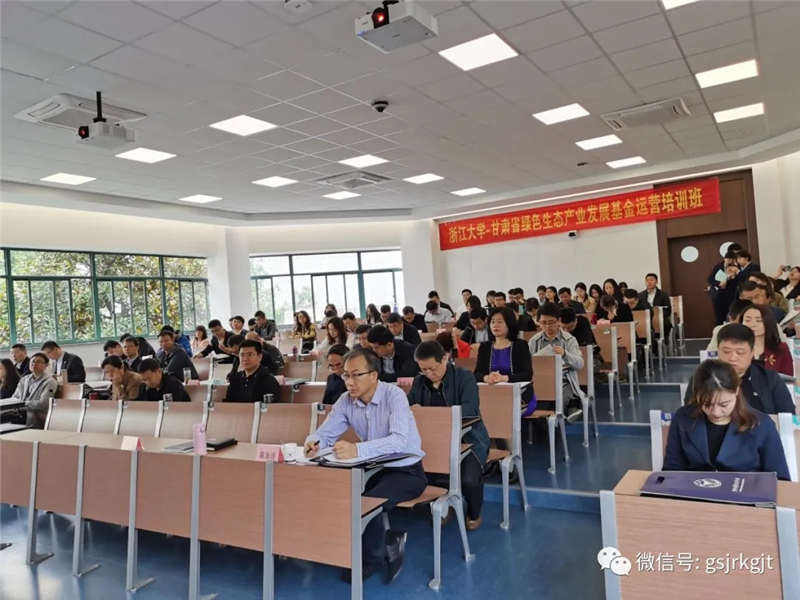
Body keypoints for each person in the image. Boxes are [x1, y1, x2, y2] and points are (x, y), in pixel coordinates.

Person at [303, 348, 426, 583]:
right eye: (346, 375)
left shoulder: (394, 396)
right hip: (372, 469)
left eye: (356, 375)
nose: (349, 382)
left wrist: (357, 449)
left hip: (407, 471)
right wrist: (313, 442)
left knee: (366, 502)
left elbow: (399, 441)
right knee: (335, 494)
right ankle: (382, 541)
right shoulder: (345, 400)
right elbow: (326, 433)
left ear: (373, 375)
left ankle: (371, 558)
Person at [407, 341, 489, 530]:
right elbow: (407, 405)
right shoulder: (419, 381)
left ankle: (474, 511)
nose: (429, 374)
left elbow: (470, 410)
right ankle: (445, 506)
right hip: (433, 442)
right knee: (426, 473)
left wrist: (430, 415)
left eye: (433, 369)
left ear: (444, 359)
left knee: (469, 479)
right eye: (424, 370)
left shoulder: (464, 377)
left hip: (468, 438)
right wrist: (412, 408)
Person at [665, 360, 789, 480]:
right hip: (695, 491)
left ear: (736, 391)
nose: (716, 412)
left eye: (724, 404)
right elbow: (671, 471)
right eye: (707, 404)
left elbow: (779, 478)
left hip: (746, 491)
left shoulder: (761, 425)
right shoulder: (683, 418)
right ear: (696, 395)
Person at [685, 324, 794, 414]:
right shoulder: (702, 377)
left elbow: (788, 415)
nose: (732, 358)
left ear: (752, 353)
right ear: (718, 351)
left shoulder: (770, 378)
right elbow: (689, 415)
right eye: (726, 351)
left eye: (740, 352)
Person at [528, 303, 584, 421]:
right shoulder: (534, 341)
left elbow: (580, 364)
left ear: (558, 321)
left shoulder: (569, 339)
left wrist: (565, 354)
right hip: (540, 382)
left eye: (551, 322)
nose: (547, 326)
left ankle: (560, 413)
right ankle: (568, 409)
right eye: (543, 323)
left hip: (564, 382)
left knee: (558, 398)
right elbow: (526, 365)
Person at [474, 307, 532, 403]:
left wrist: (504, 378)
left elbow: (527, 374)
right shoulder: (485, 347)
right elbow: (477, 374)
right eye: (492, 322)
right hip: (491, 394)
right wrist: (487, 378)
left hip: (518, 396)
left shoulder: (520, 345)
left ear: (509, 323)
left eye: (500, 322)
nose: (495, 325)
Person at [740, 305, 793, 376]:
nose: (752, 325)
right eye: (747, 320)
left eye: (759, 321)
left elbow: (788, 379)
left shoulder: (781, 349)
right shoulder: (734, 347)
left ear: (768, 322)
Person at [10, 352, 58, 428]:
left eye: (39, 362)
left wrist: (23, 404)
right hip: (20, 413)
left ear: (46, 365)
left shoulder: (50, 381)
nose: (34, 364)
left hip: (35, 415)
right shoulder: (24, 379)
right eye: (32, 361)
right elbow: (15, 397)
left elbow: (44, 403)